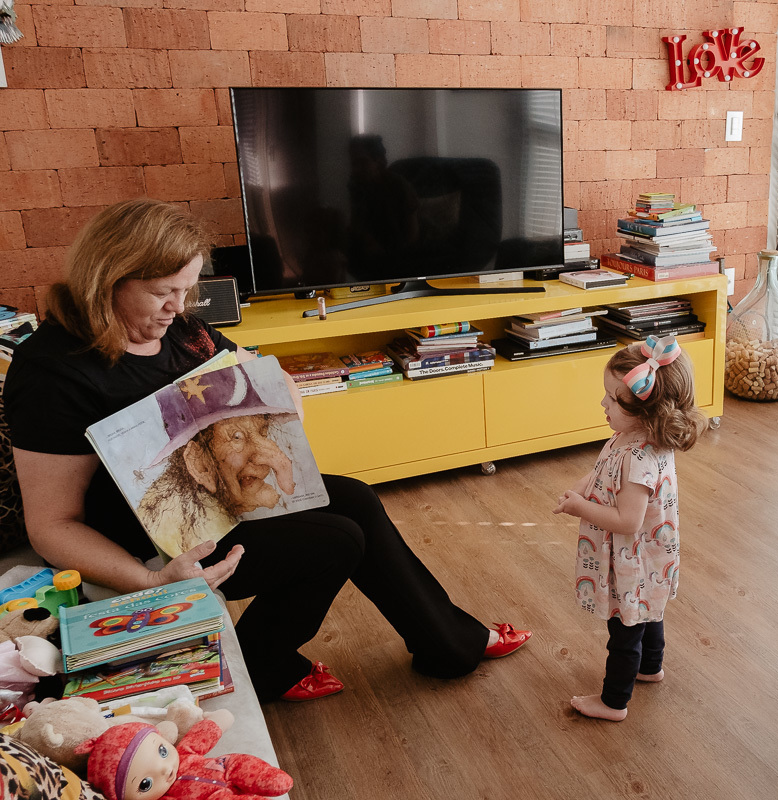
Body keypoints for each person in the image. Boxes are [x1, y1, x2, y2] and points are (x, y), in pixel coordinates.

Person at [4, 198, 532, 703]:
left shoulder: (183, 332)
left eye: (187, 290)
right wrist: (153, 579)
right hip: (153, 545)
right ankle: (265, 663)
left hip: (221, 504)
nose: (178, 306)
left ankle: (447, 644)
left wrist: (286, 413)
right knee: (338, 540)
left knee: (356, 500)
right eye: (164, 291)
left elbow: (267, 373)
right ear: (107, 278)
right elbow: (52, 525)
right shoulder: (52, 371)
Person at [553, 336, 705, 721]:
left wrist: (579, 508)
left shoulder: (639, 460)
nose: (603, 403)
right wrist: (587, 484)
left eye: (611, 399)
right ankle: (650, 668)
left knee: (624, 631)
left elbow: (628, 521)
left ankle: (613, 702)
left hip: (632, 561)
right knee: (648, 613)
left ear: (646, 411)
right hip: (651, 558)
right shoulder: (637, 437)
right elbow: (605, 465)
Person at [138, 362, 303, 558]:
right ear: (198, 464)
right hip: (209, 552)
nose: (266, 457)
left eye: (263, 432)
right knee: (340, 540)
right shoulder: (179, 524)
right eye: (236, 437)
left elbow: (278, 372)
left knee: (349, 497)